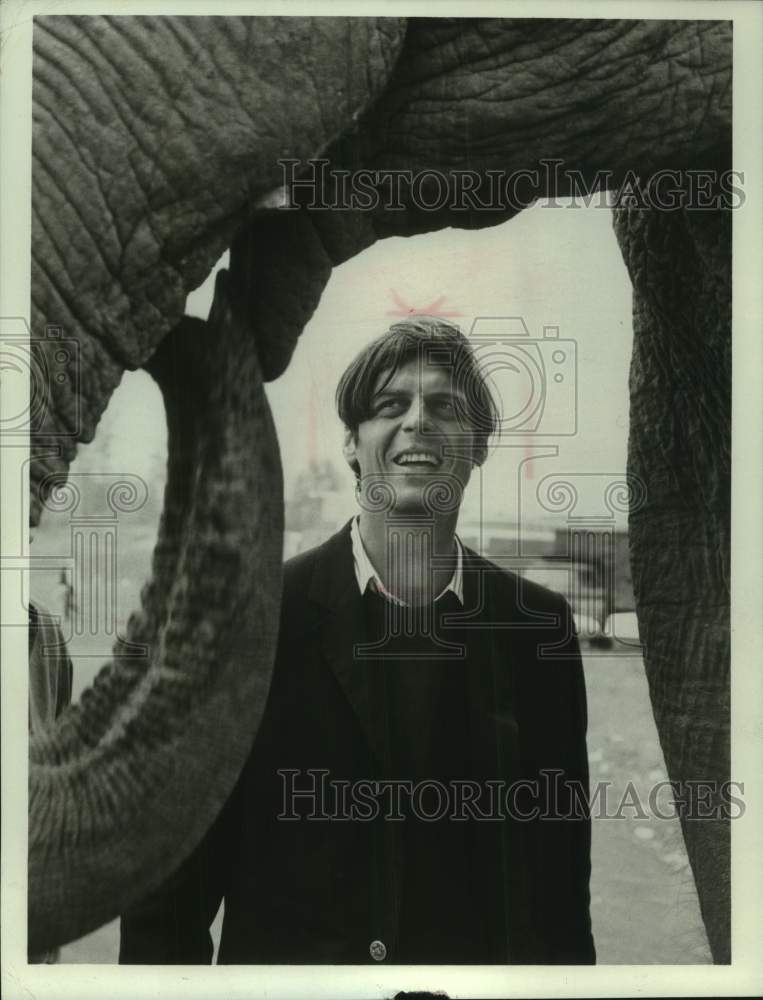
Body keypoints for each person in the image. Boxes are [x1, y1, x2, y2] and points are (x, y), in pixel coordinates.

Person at [119, 317, 595, 965]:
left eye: (444, 407)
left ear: (479, 445)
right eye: (389, 406)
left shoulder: (537, 627)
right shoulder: (252, 619)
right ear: (351, 443)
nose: (417, 422)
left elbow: (560, 891)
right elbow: (167, 905)